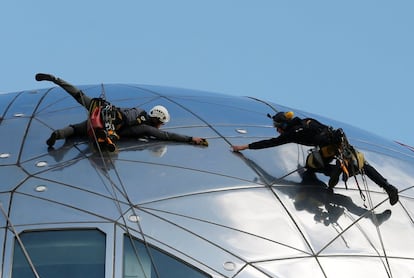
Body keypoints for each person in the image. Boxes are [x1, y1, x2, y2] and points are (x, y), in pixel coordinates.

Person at [232, 111, 399, 206]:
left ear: (283, 126)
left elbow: (271, 143)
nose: (277, 131)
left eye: (277, 127)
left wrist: (246, 147)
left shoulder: (291, 133)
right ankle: (387, 186)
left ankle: (335, 170)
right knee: (362, 164)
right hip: (339, 142)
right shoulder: (307, 121)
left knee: (311, 165)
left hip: (326, 149)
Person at [35, 73, 208, 148]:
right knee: (97, 134)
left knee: (79, 100)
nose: (161, 127)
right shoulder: (146, 128)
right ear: (158, 120)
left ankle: (56, 80)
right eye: (161, 123)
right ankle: (105, 139)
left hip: (101, 112)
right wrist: (191, 139)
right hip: (107, 127)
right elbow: (166, 136)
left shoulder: (137, 110)